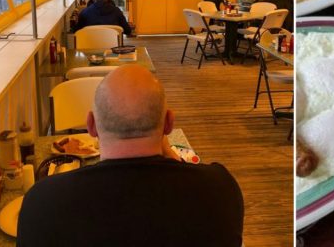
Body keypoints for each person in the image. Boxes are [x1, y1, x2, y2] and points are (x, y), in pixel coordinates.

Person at [17, 65, 244, 246]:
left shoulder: (42, 203)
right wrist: (171, 155)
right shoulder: (220, 189)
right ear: (168, 123)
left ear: (91, 126)